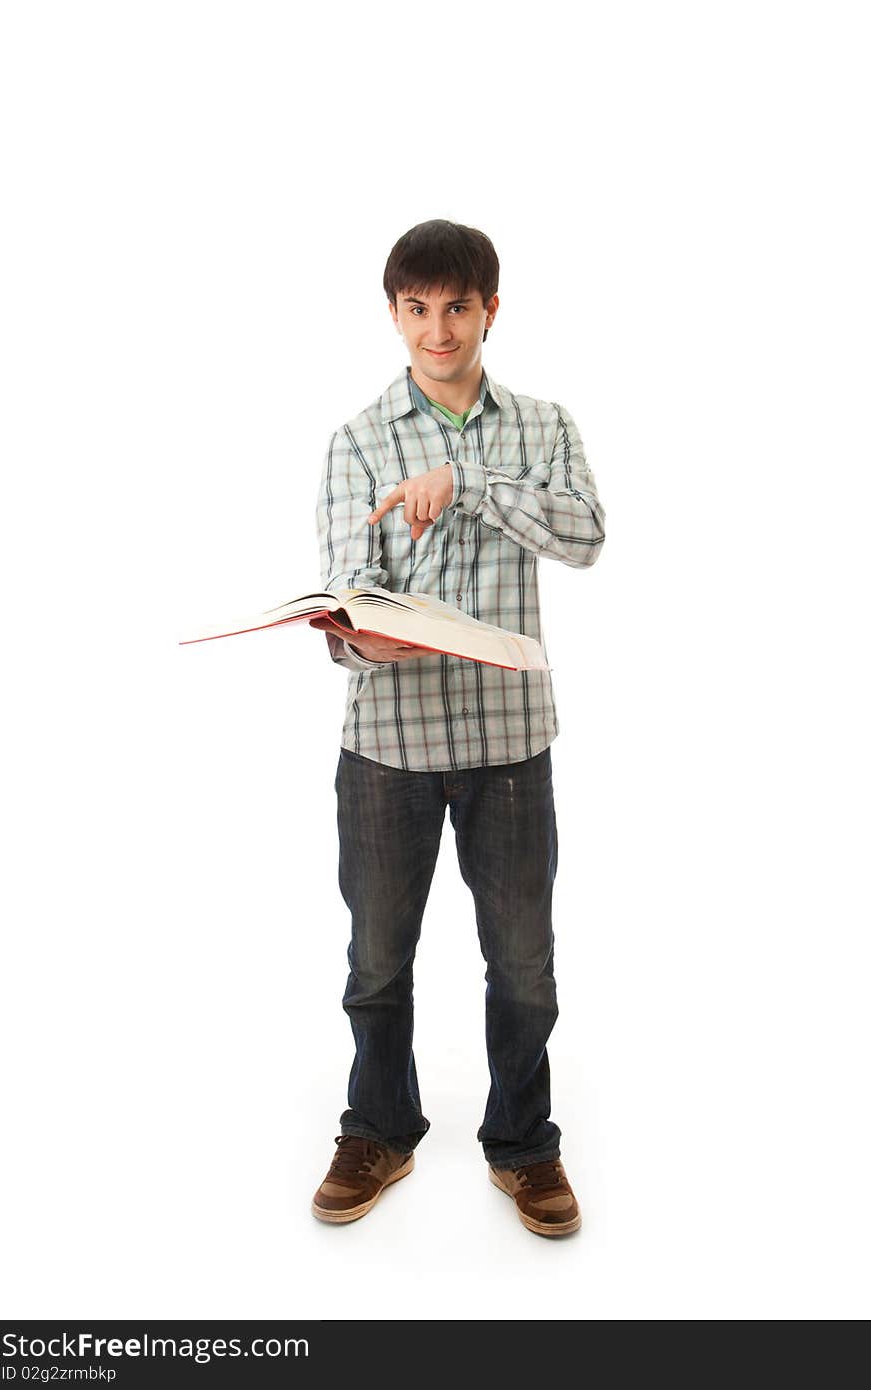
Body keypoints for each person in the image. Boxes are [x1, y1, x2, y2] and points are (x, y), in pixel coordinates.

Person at [309, 219, 605, 1237]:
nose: (438, 329)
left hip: (511, 744)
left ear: (490, 309)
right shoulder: (357, 439)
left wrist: (468, 484)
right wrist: (359, 640)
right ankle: (378, 1128)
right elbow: (349, 596)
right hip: (387, 747)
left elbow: (586, 537)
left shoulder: (544, 426)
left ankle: (523, 1144)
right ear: (394, 314)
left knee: (523, 960)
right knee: (376, 960)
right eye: (418, 308)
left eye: (457, 307)